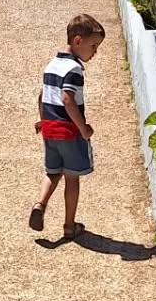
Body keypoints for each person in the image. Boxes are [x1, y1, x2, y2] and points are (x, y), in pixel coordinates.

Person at [29, 13, 106, 239]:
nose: (95, 52)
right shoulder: (74, 70)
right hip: (69, 132)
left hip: (50, 130)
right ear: (78, 41)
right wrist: (83, 129)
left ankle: (40, 205)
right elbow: (67, 99)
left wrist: (42, 120)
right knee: (72, 178)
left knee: (53, 172)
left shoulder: (51, 64)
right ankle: (69, 225)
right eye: (93, 46)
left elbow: (42, 95)